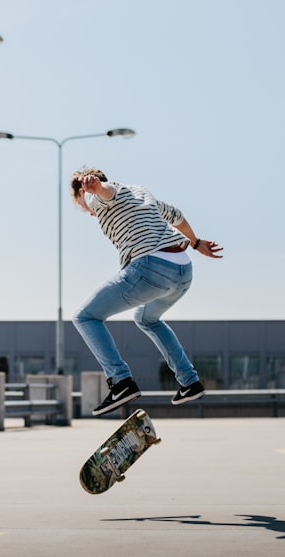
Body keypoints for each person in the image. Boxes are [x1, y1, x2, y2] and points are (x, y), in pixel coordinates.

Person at [70, 167, 223, 416]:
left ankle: (121, 382)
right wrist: (195, 242)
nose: (87, 209)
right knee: (146, 319)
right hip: (182, 269)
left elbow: (106, 192)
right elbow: (176, 215)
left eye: (82, 203)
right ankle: (189, 381)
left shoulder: (101, 195)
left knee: (85, 317)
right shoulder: (139, 192)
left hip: (151, 269)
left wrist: (94, 187)